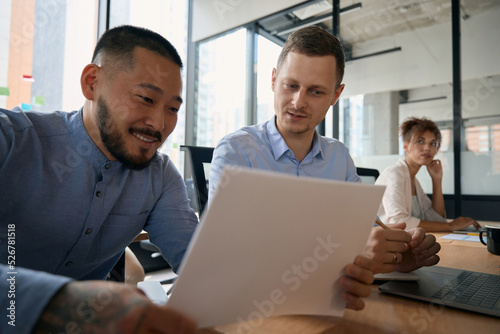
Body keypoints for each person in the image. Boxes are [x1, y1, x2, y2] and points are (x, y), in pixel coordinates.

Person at [0, 25, 198, 333]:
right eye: (146, 98)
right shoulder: (11, 140)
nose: (159, 124)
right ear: (92, 82)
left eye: (172, 109)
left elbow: (197, 263)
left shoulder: (160, 177)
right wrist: (55, 303)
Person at [209, 26, 441, 286]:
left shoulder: (338, 157)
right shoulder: (237, 152)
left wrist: (400, 257)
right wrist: (352, 256)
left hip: (331, 298)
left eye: (316, 91)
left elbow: (365, 232)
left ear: (336, 95)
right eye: (291, 85)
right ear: (273, 80)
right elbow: (226, 256)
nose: (298, 102)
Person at [375, 117, 481, 232]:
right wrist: (450, 226)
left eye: (433, 143)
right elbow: (399, 222)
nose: (427, 148)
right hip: (382, 243)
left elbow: (437, 220)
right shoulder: (394, 174)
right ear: (405, 146)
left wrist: (437, 180)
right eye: (420, 141)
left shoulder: (414, 181)